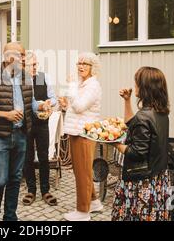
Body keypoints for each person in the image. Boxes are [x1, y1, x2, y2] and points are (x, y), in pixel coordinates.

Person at [0, 42, 49, 221]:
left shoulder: (26, 78)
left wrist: (41, 105)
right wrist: (5, 115)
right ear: (10, 57)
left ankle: (10, 217)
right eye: (22, 55)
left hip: (21, 135)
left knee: (15, 179)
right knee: (0, 179)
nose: (24, 59)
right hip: (0, 137)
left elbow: (29, 103)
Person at [111, 67, 171, 221]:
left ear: (145, 88)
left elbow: (137, 153)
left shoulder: (143, 117)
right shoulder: (161, 112)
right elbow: (132, 124)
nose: (134, 86)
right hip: (158, 176)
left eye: (137, 83)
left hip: (141, 181)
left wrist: (114, 143)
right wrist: (127, 100)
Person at [58, 52, 103, 221]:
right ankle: (95, 202)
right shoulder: (82, 84)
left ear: (93, 67)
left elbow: (79, 106)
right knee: (81, 171)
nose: (81, 66)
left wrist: (70, 87)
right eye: (79, 63)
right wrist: (65, 106)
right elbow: (74, 108)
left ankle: (83, 212)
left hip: (84, 134)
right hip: (75, 131)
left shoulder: (93, 85)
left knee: (83, 172)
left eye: (85, 64)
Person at [22, 51, 58, 206]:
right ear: (24, 66)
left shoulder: (44, 77)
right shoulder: (19, 81)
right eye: (32, 64)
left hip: (42, 123)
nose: (36, 67)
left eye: (36, 63)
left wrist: (50, 103)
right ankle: (31, 190)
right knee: (27, 157)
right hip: (25, 124)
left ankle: (45, 190)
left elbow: (53, 97)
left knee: (44, 157)